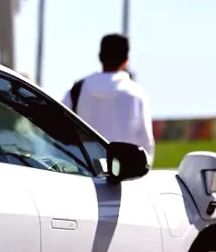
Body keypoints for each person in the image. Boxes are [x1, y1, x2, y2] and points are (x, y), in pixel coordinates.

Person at [62, 34, 155, 163]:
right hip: (123, 169)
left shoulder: (77, 89)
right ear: (126, 60)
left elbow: (59, 128)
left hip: (83, 167)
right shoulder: (136, 94)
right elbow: (146, 142)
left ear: (100, 57)